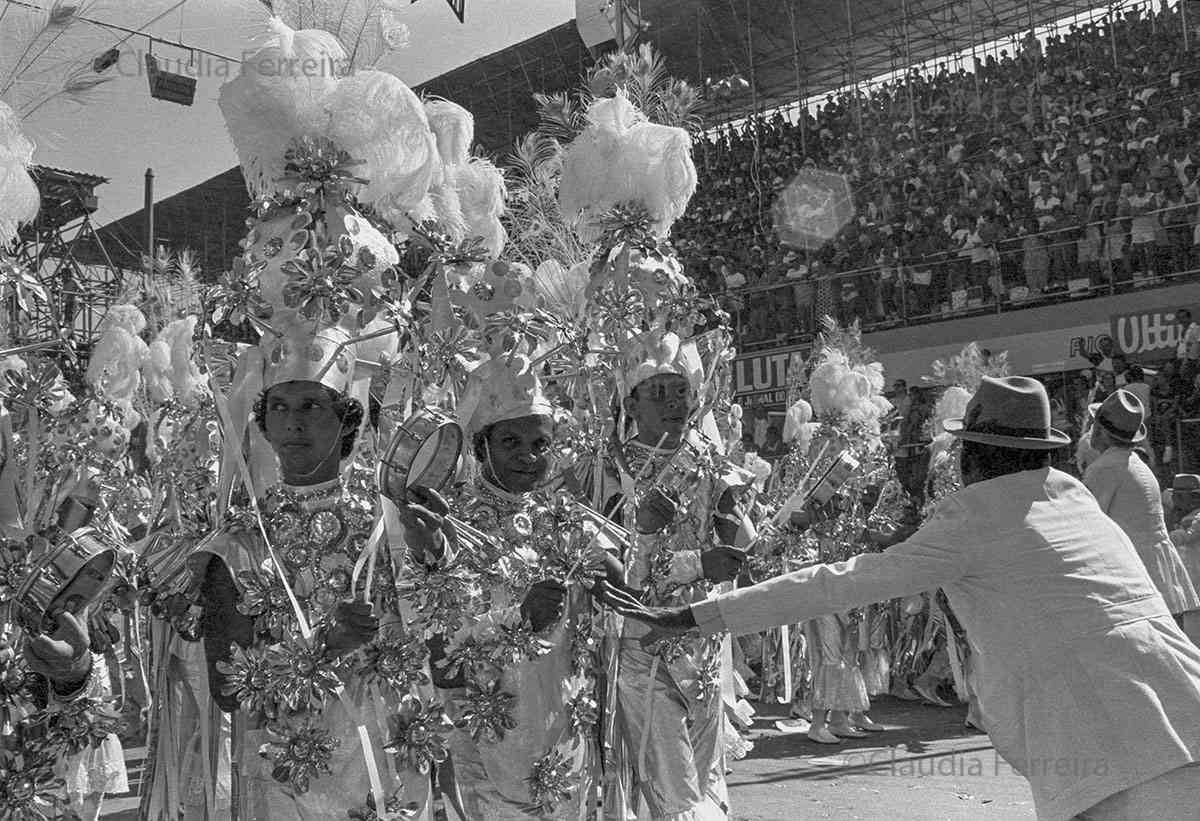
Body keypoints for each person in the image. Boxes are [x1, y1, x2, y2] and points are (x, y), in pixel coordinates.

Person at [611, 376, 1200, 821]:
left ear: (973, 456)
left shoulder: (973, 516)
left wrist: (699, 615)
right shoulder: (1073, 496)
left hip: (1110, 740)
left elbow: (835, 583)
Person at [189, 323, 428, 819]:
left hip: (386, 759)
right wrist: (324, 646)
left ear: (345, 421)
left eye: (311, 407)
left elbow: (437, 631)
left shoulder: (392, 521)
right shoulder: (240, 543)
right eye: (280, 407)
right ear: (263, 424)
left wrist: (438, 553)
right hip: (285, 776)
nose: (294, 423)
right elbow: (228, 689)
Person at [395, 355, 619, 820]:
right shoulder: (446, 525)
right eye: (511, 441)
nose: (527, 456)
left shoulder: (564, 519)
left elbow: (620, 594)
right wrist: (521, 618)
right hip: (492, 742)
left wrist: (617, 571)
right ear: (480, 448)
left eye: (540, 443)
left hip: (568, 734)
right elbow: (442, 663)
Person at [599, 330, 753, 821]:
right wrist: (692, 562)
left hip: (703, 641)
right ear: (631, 402)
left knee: (708, 780)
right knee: (674, 789)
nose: (672, 404)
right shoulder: (607, 467)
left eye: (680, 391)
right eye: (657, 393)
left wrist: (740, 529)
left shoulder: (708, 459)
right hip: (642, 648)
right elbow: (608, 571)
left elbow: (740, 542)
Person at [1084, 390, 1200, 625]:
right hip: (1158, 578)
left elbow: (1087, 528)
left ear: (1101, 432)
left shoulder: (1104, 468)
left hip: (1134, 580)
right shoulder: (1136, 464)